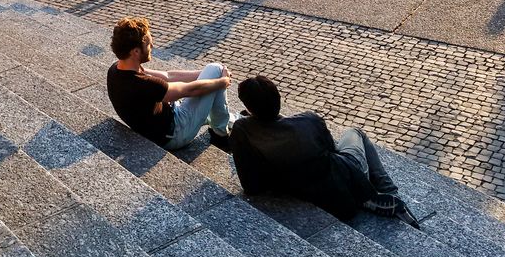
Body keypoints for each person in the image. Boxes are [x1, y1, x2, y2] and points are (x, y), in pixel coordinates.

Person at [230, 76, 420, 227]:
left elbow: (250, 186)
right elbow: (333, 151)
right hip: (342, 175)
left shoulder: (243, 130)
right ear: (279, 99)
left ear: (248, 108)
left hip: (298, 187)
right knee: (355, 133)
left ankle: (371, 193)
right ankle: (388, 191)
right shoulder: (309, 121)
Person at [106, 17, 233, 151]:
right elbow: (190, 90)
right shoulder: (143, 85)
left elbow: (168, 76)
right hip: (175, 134)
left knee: (213, 73)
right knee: (216, 68)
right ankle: (221, 136)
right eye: (148, 44)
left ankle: (221, 121)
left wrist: (205, 73)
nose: (152, 47)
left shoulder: (117, 68)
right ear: (136, 51)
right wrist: (222, 81)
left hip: (162, 121)